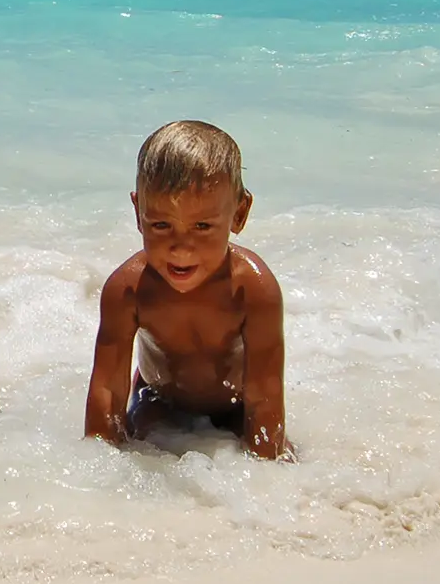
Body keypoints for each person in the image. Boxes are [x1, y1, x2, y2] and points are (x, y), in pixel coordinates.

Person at [83, 120, 291, 459]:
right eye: (161, 225)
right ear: (138, 212)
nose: (181, 248)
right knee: (141, 453)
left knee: (281, 458)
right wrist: (99, 469)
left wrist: (266, 478)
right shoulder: (128, 289)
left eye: (203, 226)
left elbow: (264, 396)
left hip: (234, 412)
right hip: (158, 403)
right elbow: (108, 390)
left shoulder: (253, 289)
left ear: (239, 214)